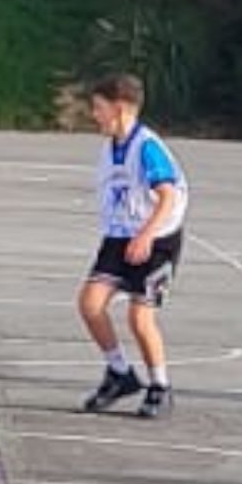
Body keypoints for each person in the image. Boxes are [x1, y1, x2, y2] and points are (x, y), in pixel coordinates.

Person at [77, 72, 189, 420]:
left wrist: (146, 235)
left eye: (99, 107)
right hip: (120, 235)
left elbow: (168, 197)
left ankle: (160, 386)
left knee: (140, 317)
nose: (94, 114)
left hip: (157, 239)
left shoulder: (147, 147)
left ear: (120, 108)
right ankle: (120, 373)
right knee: (90, 304)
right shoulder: (111, 147)